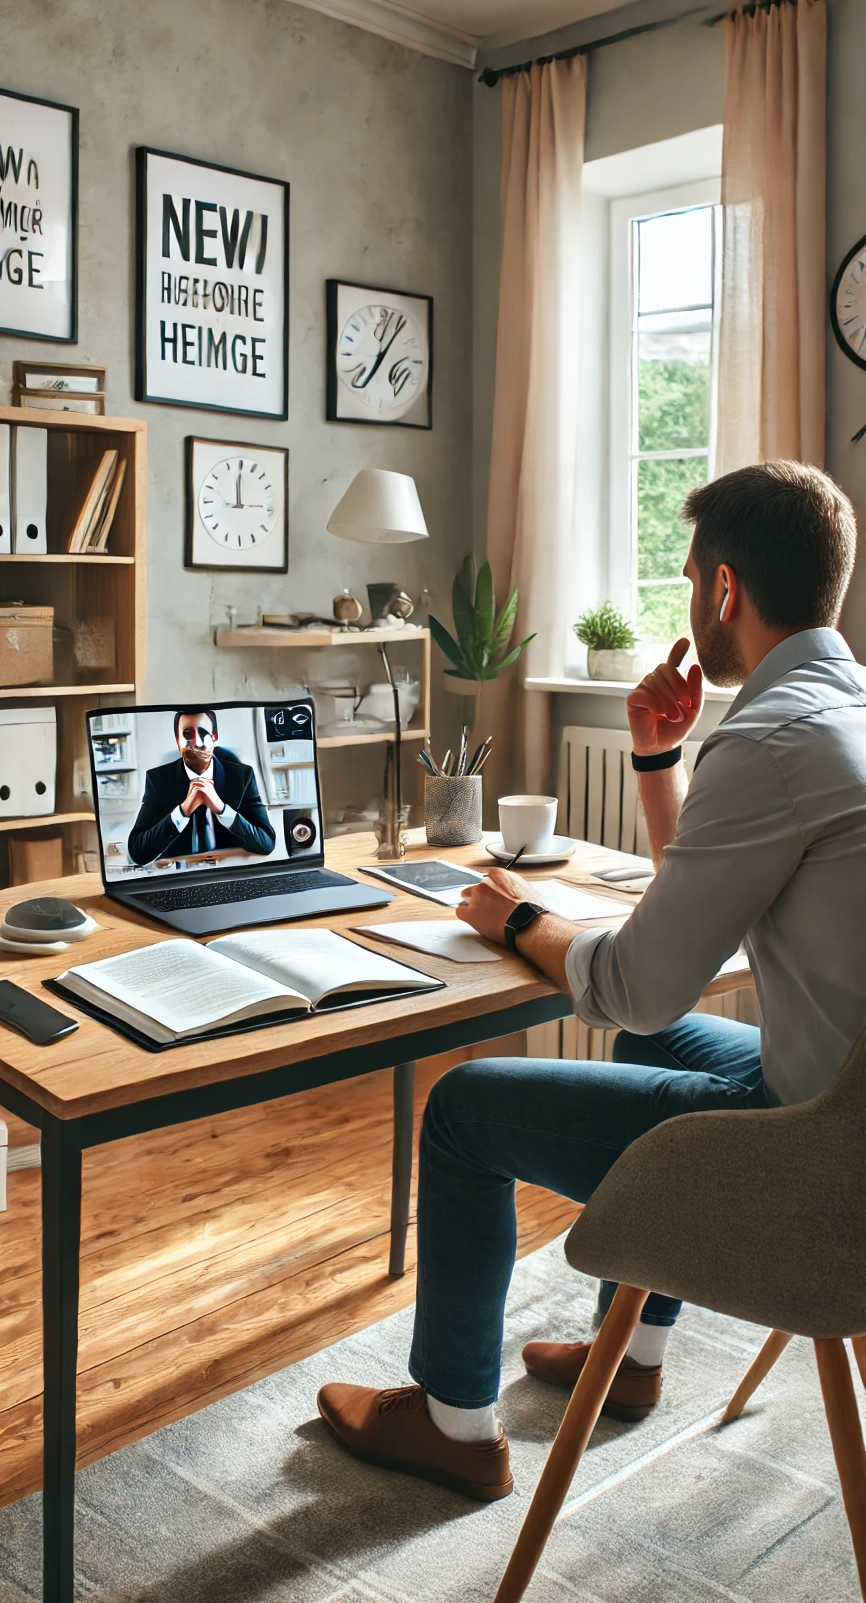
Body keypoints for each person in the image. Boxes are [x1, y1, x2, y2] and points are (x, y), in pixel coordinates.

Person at [317, 460, 866, 1503]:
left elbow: (632, 986)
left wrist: (516, 916)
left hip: (817, 1154)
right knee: (659, 1048)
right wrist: (657, 760)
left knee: (463, 1108)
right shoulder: (844, 715)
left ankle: (452, 1424)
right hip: (853, 1107)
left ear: (722, 590)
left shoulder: (770, 739)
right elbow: (685, 935)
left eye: (691, 572)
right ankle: (636, 1355)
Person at [127, 707, 275, 865]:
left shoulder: (242, 776)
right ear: (178, 741)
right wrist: (184, 810)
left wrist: (222, 809)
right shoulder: (158, 780)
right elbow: (138, 853)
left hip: (229, 871)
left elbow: (266, 843)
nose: (197, 742)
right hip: (182, 878)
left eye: (203, 733)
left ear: (215, 736)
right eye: (187, 734)